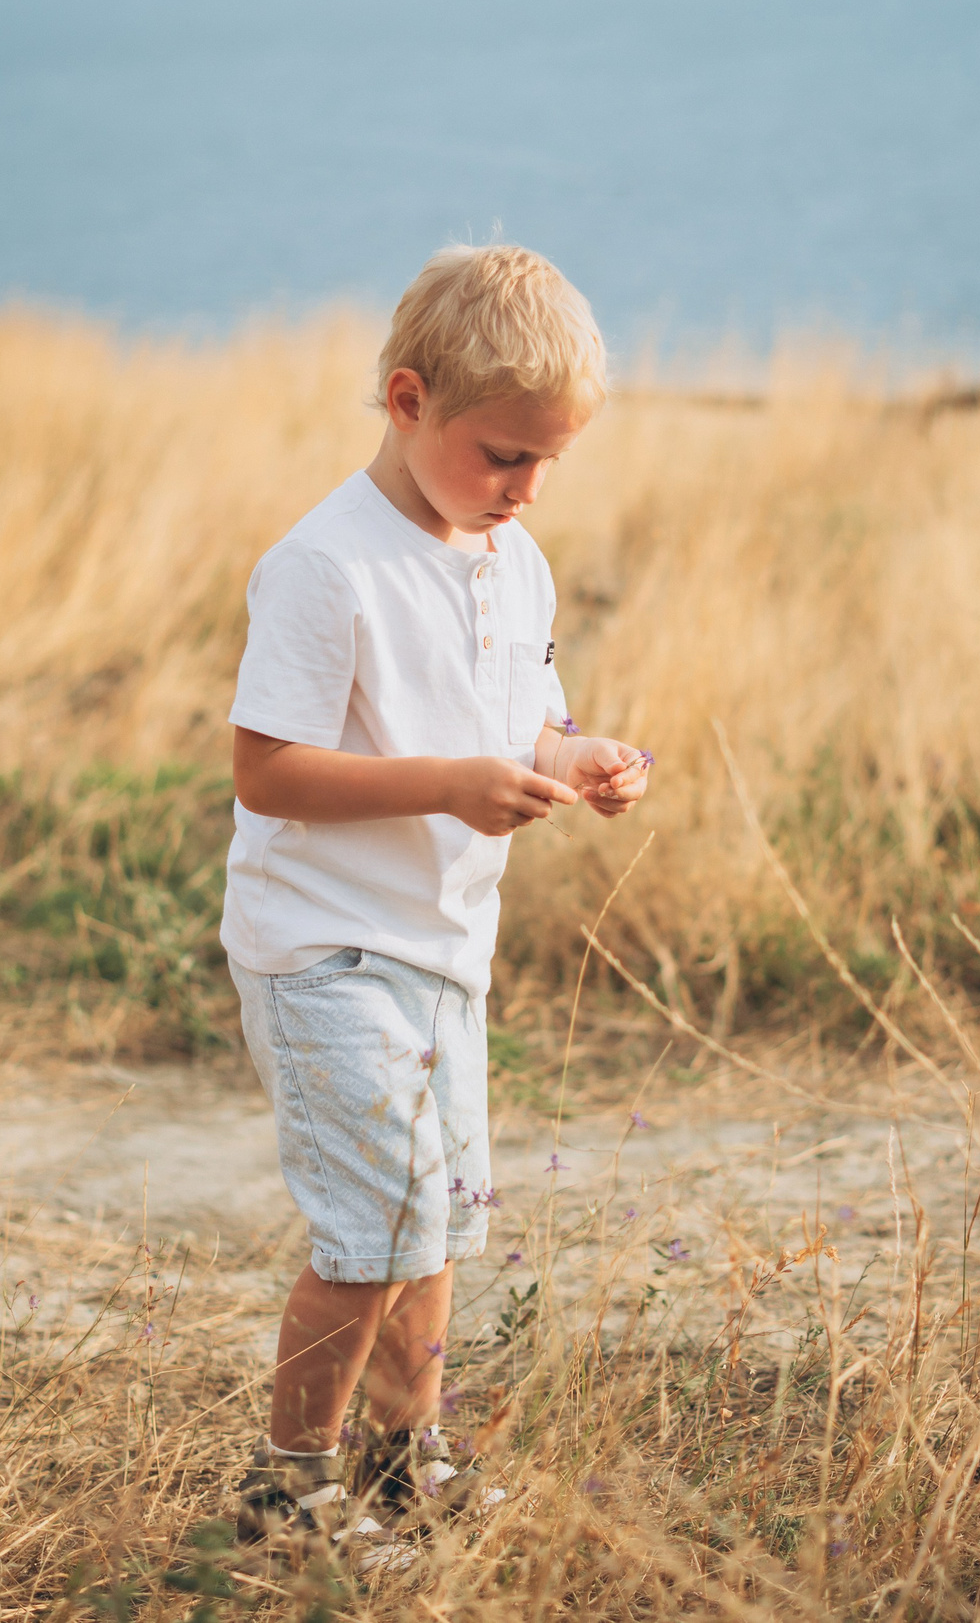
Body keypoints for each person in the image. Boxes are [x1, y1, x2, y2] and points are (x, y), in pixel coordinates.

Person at [220, 244, 651, 1561]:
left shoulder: (511, 561)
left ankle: (406, 1460)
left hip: (446, 952)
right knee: (378, 1222)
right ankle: (287, 1490)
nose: (524, 488)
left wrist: (570, 752)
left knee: (446, 1215)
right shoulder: (324, 567)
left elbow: (528, 708)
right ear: (408, 402)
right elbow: (267, 771)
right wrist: (452, 787)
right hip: (326, 950)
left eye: (546, 464)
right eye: (502, 456)